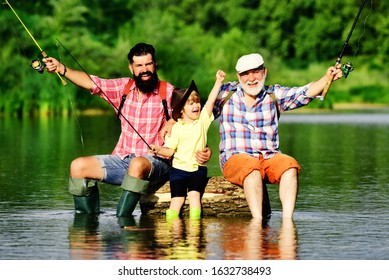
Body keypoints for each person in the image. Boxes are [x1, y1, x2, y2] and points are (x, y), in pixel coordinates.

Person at [43, 43, 211, 217]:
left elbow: (197, 116)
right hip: (123, 160)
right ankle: (88, 224)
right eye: (139, 65)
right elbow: (92, 83)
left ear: (155, 65)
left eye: (148, 64)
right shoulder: (123, 88)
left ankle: (122, 221)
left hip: (158, 162)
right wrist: (61, 68)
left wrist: (173, 120)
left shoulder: (168, 92)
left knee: (138, 163)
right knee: (78, 166)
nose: (145, 69)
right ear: (131, 68)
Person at [213, 53, 343, 219]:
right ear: (238, 76)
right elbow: (198, 113)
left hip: (268, 157)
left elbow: (304, 93)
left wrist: (327, 78)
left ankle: (288, 222)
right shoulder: (225, 94)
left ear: (264, 72)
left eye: (256, 72)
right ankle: (257, 223)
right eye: (245, 74)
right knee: (251, 168)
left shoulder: (274, 95)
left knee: (290, 166)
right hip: (236, 158)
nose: (251, 78)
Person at [150, 70, 226, 220]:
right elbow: (170, 151)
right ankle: (174, 234)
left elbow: (211, 101)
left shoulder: (203, 120)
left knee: (194, 199)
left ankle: (194, 233)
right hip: (178, 171)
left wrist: (218, 81)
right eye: (191, 103)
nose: (196, 105)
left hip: (197, 170)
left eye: (197, 102)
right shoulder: (176, 127)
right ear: (181, 109)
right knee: (176, 202)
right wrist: (158, 149)